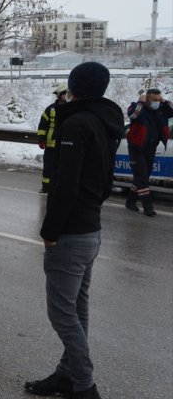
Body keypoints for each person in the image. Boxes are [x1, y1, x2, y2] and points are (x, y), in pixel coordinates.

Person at [26, 62, 124, 399]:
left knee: (62, 313)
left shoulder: (77, 123)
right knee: (77, 308)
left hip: (70, 232)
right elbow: (106, 180)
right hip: (91, 227)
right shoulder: (106, 120)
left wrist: (50, 230)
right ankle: (66, 376)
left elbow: (65, 185)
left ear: (74, 86)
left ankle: (84, 386)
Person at [124, 87, 173, 216]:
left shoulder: (161, 109)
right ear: (147, 99)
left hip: (151, 148)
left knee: (142, 177)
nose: (157, 102)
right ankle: (148, 207)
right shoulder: (138, 107)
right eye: (154, 100)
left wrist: (164, 100)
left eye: (158, 99)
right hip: (136, 148)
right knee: (142, 178)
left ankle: (130, 201)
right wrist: (140, 102)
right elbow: (133, 115)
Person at [37, 84, 68, 193]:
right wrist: (41, 139)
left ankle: (60, 187)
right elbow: (42, 125)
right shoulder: (50, 109)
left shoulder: (71, 108)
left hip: (65, 144)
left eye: (67, 93)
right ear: (59, 95)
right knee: (48, 167)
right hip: (50, 145)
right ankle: (46, 187)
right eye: (64, 94)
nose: (66, 96)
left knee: (63, 168)